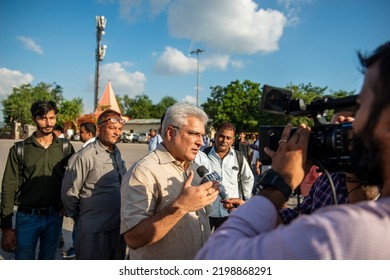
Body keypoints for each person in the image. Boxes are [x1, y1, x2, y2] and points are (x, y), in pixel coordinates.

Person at [196, 41, 390, 259]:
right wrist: (255, 210)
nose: (346, 130)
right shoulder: (331, 177)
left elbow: (215, 258)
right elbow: (301, 214)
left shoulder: (349, 232)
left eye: (363, 105)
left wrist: (280, 182)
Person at [120, 102, 219, 259]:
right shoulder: (144, 172)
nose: (200, 142)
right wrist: (181, 206)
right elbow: (133, 238)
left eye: (202, 135)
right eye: (193, 134)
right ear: (170, 133)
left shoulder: (194, 167)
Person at [0, 100, 75, 260]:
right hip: (27, 217)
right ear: (34, 119)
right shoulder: (20, 149)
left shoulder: (65, 148)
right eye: (43, 118)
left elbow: (73, 179)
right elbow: (8, 187)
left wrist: (67, 205)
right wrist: (6, 227)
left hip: (54, 217)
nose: (49, 123)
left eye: (52, 118)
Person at [61, 109, 127, 260]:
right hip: (93, 230)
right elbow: (69, 193)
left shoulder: (117, 154)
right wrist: (81, 217)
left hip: (118, 228)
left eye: (119, 129)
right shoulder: (85, 156)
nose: (117, 132)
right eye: (112, 128)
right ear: (99, 129)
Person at [204, 122, 254, 230]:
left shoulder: (238, 157)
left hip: (230, 213)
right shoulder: (203, 155)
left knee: (227, 245)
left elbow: (248, 179)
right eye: (221, 136)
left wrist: (245, 200)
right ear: (215, 136)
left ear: (232, 140)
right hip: (206, 212)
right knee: (204, 245)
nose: (224, 140)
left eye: (228, 138)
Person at [61, 122, 96, 259]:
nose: (79, 135)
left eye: (81, 132)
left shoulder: (86, 152)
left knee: (80, 228)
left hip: (84, 201)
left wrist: (71, 209)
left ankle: (77, 248)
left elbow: (73, 184)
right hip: (90, 202)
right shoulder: (92, 149)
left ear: (89, 134)